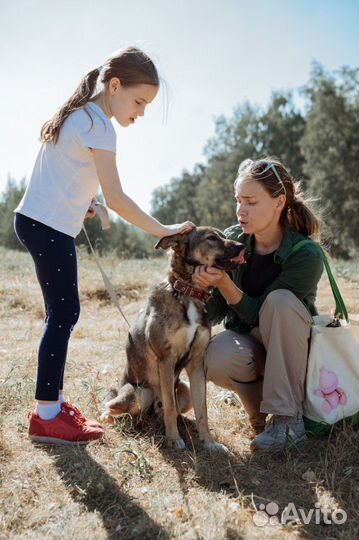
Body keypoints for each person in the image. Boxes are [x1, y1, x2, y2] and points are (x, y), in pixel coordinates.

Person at [14, 46, 195, 445]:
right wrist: (163, 228)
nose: (142, 111)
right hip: (47, 228)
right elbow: (118, 197)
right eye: (139, 101)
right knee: (63, 315)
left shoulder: (81, 115)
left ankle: (54, 405)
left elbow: (65, 175)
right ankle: (47, 414)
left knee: (62, 313)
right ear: (114, 86)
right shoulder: (100, 125)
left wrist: (84, 203)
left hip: (38, 221)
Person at [192, 157, 323, 450]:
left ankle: (288, 421)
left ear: (278, 202)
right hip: (255, 348)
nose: (241, 210)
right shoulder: (234, 240)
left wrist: (225, 283)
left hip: (294, 353)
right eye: (238, 201)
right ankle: (261, 416)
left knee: (278, 302)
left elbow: (259, 313)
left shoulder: (306, 254)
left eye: (251, 201)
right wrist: (198, 291)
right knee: (215, 355)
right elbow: (215, 310)